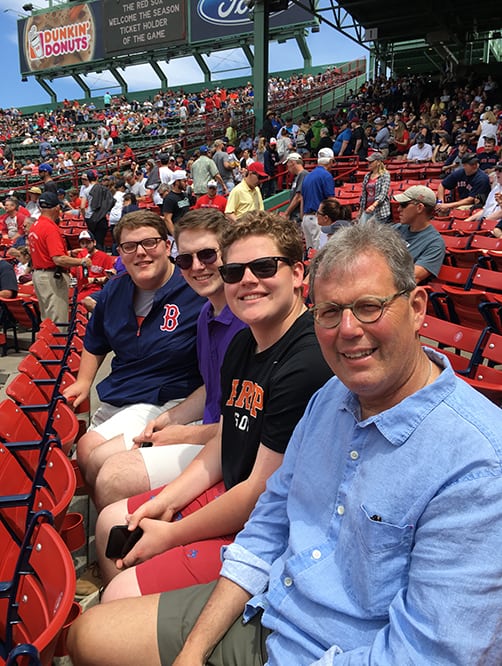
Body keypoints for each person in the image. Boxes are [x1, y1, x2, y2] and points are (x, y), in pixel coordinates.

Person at [69, 222, 502, 666]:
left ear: (416, 308)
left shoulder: (478, 465)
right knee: (87, 636)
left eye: (369, 307)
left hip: (337, 648)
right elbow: (270, 523)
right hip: (274, 604)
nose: (348, 329)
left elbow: (430, 653)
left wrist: (175, 531)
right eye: (330, 312)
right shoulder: (329, 398)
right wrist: (193, 652)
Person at [89, 211, 333, 603]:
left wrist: (172, 533)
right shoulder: (244, 343)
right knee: (113, 524)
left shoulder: (307, 361)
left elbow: (259, 491)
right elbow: (226, 441)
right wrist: (165, 502)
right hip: (235, 490)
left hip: (274, 525)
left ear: (298, 274)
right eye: (235, 271)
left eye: (264, 267)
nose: (247, 280)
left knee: (119, 593)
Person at [88, 209, 246, 511]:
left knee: (114, 477)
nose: (197, 267)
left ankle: (131, 543)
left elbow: (249, 426)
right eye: (186, 259)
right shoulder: (206, 314)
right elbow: (212, 389)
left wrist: (182, 432)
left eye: (208, 255)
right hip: (209, 427)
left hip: (234, 445)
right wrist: (167, 422)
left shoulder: (247, 319)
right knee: (96, 456)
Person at [63, 210, 205, 488]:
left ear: (167, 246)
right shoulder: (114, 290)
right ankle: (113, 518)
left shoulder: (194, 288)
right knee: (86, 452)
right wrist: (83, 381)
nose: (141, 253)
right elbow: (95, 341)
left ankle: (118, 519)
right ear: (120, 253)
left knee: (101, 458)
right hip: (124, 391)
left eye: (149, 243)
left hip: (172, 397)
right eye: (130, 246)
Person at [28, 192, 91, 323]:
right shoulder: (50, 228)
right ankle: (56, 343)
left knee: (47, 320)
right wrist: (81, 261)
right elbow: (58, 259)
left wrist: (69, 253)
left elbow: (46, 254)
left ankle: (48, 343)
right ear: (56, 208)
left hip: (40, 275)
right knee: (57, 321)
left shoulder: (35, 225)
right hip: (52, 277)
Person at [393, 186, 445, 283]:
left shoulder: (435, 244)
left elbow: (410, 278)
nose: (399, 209)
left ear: (419, 208)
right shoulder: (397, 228)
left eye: (404, 205)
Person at [301, 147, 335, 252]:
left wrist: (303, 217)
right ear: (330, 161)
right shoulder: (326, 176)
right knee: (319, 252)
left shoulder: (308, 175)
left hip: (306, 218)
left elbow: (302, 198)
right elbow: (331, 200)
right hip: (318, 219)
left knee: (310, 251)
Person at [71, 230, 116, 305]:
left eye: (88, 242)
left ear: (94, 242)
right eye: (82, 243)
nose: (85, 245)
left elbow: (110, 277)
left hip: (96, 291)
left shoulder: (104, 257)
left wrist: (94, 280)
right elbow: (73, 274)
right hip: (80, 290)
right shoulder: (79, 256)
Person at [80, 170, 115, 250]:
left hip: (90, 218)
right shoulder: (103, 189)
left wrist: (85, 216)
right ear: (97, 177)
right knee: (100, 242)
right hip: (101, 217)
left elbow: (82, 206)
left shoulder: (86, 190)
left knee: (93, 241)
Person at [358, 152, 391, 224]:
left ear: (378, 162)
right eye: (368, 162)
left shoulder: (385, 175)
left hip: (380, 211)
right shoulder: (367, 175)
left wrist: (373, 205)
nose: (369, 163)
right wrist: (361, 210)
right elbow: (364, 194)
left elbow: (383, 193)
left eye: (371, 162)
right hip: (367, 209)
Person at [161, 170, 194, 237]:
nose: (186, 183)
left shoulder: (185, 195)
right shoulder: (169, 198)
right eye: (184, 181)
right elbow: (167, 219)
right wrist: (175, 235)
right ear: (177, 182)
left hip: (186, 231)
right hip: (176, 234)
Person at [281, 153, 308, 224]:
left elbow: (298, 197)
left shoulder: (303, 174)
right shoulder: (298, 176)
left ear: (293, 163)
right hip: (295, 215)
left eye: (288, 164)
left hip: (298, 216)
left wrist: (286, 213)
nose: (287, 167)